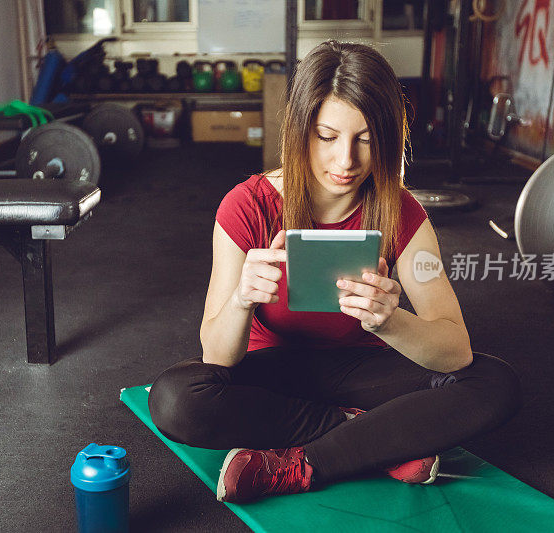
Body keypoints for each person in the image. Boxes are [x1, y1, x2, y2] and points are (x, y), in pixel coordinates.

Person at [148, 40, 522, 504]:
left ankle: (306, 464)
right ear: (301, 130)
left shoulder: (405, 215)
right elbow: (217, 358)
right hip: (272, 373)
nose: (346, 160)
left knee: (494, 382)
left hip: (362, 372)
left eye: (365, 139)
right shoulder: (246, 206)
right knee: (174, 398)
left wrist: (391, 320)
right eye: (327, 137)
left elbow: (456, 350)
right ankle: (375, 439)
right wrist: (243, 298)